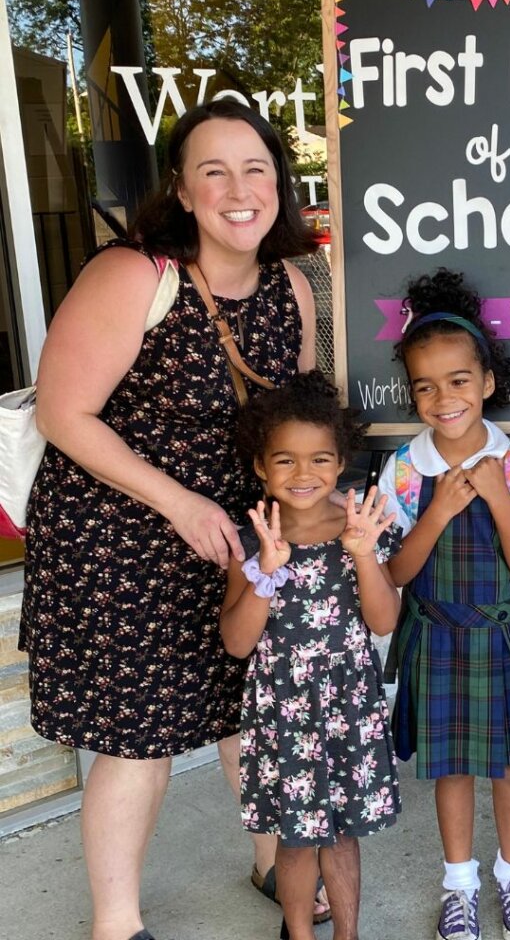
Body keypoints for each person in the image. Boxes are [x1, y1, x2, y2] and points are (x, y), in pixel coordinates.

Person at [18, 99, 323, 940]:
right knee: (139, 738)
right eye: (213, 171)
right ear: (182, 192)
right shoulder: (135, 274)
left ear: (278, 184)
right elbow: (63, 413)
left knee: (253, 706)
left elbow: (296, 422)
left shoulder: (292, 287)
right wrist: (179, 501)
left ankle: (273, 862)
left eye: (255, 169)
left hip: (234, 538)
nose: (239, 190)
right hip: (119, 537)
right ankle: (116, 924)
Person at [376, 268, 510, 940]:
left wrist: (498, 498)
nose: (443, 398)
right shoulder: (404, 470)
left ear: (487, 382)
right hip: (437, 638)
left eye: (457, 381)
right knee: (449, 767)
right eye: (425, 386)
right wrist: (438, 512)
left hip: (504, 638)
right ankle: (459, 885)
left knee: (508, 765)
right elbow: (395, 572)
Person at [222, 370, 402, 940]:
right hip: (283, 709)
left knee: (342, 834)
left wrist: (364, 554)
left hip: (348, 701)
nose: (304, 474)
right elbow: (236, 642)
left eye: (320, 459)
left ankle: (348, 934)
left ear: (341, 461)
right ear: (260, 466)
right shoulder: (250, 540)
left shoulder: (360, 528)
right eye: (286, 460)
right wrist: (266, 573)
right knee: (295, 839)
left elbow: (384, 621)